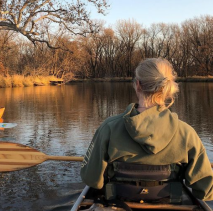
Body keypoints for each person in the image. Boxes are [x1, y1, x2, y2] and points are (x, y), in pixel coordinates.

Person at [80, 58, 213, 201]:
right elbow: (206, 192)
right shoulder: (187, 134)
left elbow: (92, 179)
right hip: (168, 204)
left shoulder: (109, 128)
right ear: (167, 88)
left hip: (119, 203)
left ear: (138, 85)